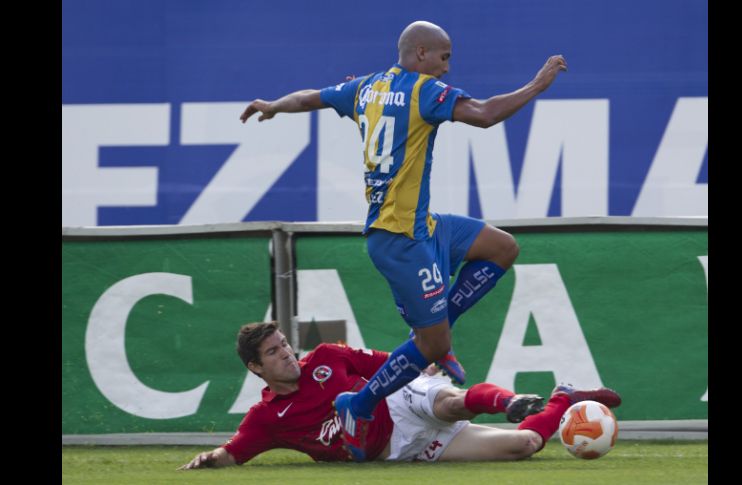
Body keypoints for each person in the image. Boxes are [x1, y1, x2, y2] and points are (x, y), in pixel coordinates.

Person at [239, 20, 569, 461]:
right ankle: (359, 403)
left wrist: (274, 106)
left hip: (425, 225)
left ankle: (440, 332)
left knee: (502, 248)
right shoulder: (422, 91)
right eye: (444, 57)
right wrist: (536, 85)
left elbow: (309, 97)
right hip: (400, 239)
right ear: (419, 54)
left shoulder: (366, 88)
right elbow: (486, 115)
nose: (447, 68)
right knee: (429, 348)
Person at [179, 322, 621, 469]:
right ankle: (563, 397)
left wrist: (423, 361)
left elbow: (391, 365)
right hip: (401, 447)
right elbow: (233, 453)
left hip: (398, 400)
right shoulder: (267, 418)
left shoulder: (328, 357)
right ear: (256, 367)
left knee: (449, 400)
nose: (287, 355)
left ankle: (508, 402)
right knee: (523, 445)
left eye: (285, 345)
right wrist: (208, 460)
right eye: (274, 353)